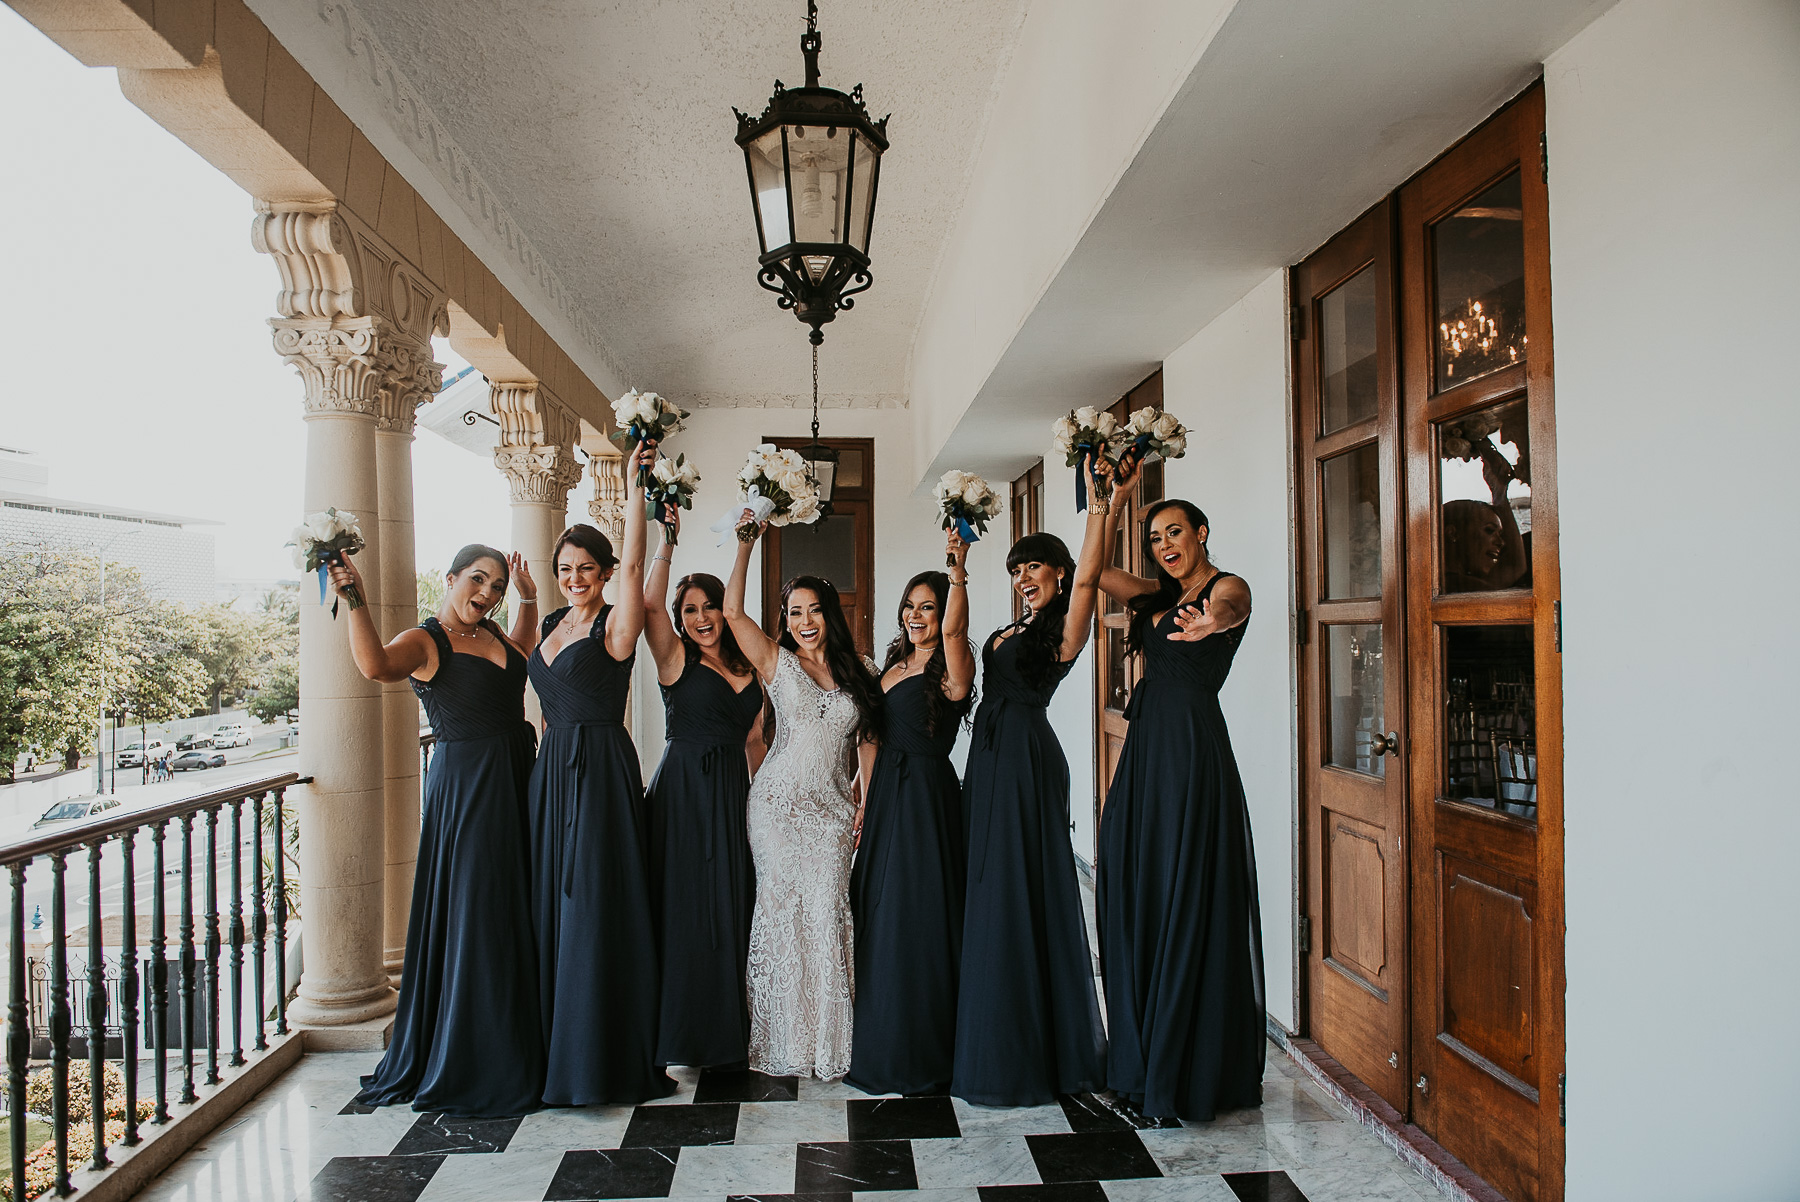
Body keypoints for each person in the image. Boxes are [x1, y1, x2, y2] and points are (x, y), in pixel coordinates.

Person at [329, 543, 545, 1118]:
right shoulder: (427, 640)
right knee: (477, 908)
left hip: (517, 780)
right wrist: (356, 599)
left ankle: (524, 1038)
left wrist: (526, 596)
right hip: (469, 790)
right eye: (478, 580)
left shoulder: (495, 635)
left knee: (515, 904)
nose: (486, 593)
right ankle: (474, 1051)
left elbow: (523, 652)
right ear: (450, 579)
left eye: (495, 586)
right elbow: (375, 666)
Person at [1093, 457, 1265, 1121]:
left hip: (1191, 753)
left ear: (1201, 531)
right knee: (1137, 881)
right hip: (1145, 751)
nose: (1165, 546)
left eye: (1174, 533)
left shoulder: (1226, 588)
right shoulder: (1154, 598)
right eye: (1156, 539)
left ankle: (1183, 1063)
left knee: (1183, 888)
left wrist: (1212, 623)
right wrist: (1114, 501)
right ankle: (1140, 1054)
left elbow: (1234, 606)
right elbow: (1091, 574)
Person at [952, 464, 1111, 1107]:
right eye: (1016, 570)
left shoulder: (1066, 627)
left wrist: (1102, 506)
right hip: (989, 757)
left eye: (1034, 568)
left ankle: (1028, 1041)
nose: (1022, 580)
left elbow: (1093, 577)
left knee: (1021, 884)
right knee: (987, 879)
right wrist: (959, 566)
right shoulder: (1007, 629)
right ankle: (986, 1015)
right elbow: (956, 640)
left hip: (1025, 756)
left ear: (1059, 573)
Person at [525, 440, 673, 1105]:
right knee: (554, 903)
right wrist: (527, 598)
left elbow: (637, 558)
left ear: (606, 571)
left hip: (599, 770)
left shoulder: (616, 625)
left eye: (586, 567)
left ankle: (598, 1056)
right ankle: (553, 1044)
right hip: (551, 771)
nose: (575, 577)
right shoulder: (552, 621)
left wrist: (635, 485)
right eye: (565, 568)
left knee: (593, 906)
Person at [723, 513, 881, 1079]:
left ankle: (827, 1040)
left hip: (834, 811)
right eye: (795, 613)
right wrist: (746, 547)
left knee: (826, 911)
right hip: (777, 808)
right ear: (785, 622)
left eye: (815, 610)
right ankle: (782, 1039)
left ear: (829, 615)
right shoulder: (777, 663)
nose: (806, 621)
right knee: (782, 914)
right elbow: (734, 614)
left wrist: (865, 798)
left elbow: (868, 740)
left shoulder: (861, 670)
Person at [846, 537, 976, 1096]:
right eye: (910, 605)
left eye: (929, 605)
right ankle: (880, 1030)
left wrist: (958, 569)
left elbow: (952, 633)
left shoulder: (954, 665)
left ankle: (921, 1044)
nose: (916, 615)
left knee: (916, 914)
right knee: (876, 910)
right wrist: (864, 799)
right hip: (886, 799)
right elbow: (870, 735)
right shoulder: (894, 663)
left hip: (925, 795)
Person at [642, 510, 766, 1071]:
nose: (700, 618)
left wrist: (762, 801)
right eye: (688, 611)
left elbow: (757, 742)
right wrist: (667, 540)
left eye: (707, 606)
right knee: (688, 909)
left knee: (731, 903)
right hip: (684, 796)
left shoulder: (750, 667)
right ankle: (681, 1036)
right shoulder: (674, 660)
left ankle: (727, 1032)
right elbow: (647, 606)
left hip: (732, 796)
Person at [1443, 441, 1528, 592]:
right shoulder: (1453, 585)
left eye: (1500, 534)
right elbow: (1513, 566)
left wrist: (1500, 493)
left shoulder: (1460, 582)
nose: (1501, 543)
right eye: (1489, 530)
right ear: (1453, 533)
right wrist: (1499, 494)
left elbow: (1513, 566)